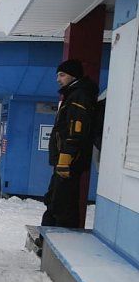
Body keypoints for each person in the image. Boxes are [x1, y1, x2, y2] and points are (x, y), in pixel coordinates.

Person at [42, 59, 98, 228]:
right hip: (65, 161)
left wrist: (65, 159)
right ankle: (49, 237)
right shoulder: (72, 95)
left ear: (73, 75)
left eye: (62, 75)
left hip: (69, 161)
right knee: (55, 198)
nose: (58, 79)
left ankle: (61, 238)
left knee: (61, 202)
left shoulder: (78, 96)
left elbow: (76, 131)